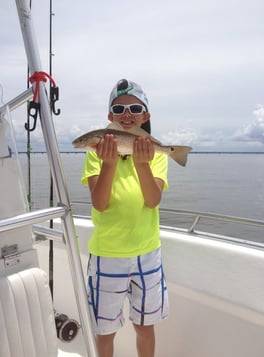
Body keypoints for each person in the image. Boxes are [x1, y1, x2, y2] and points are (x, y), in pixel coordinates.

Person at [81, 78, 169, 357]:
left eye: (134, 108)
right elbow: (100, 203)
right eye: (119, 110)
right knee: (104, 330)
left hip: (147, 253)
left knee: (145, 327)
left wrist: (143, 164)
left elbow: (152, 200)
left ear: (146, 115)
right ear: (110, 118)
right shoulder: (97, 152)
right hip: (108, 253)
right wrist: (108, 163)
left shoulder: (155, 151)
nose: (127, 114)